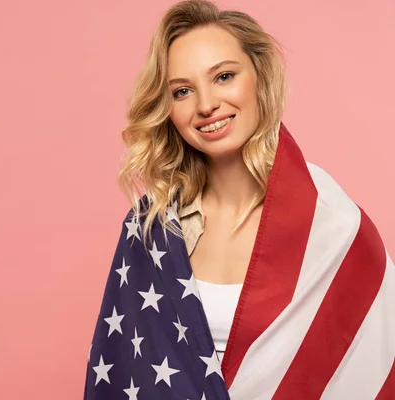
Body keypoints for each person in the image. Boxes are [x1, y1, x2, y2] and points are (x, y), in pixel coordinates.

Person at [83, 1, 395, 399]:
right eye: (182, 91)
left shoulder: (332, 223)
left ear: (260, 77)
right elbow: (125, 373)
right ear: (168, 109)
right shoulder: (150, 228)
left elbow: (373, 365)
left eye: (224, 76)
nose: (206, 104)